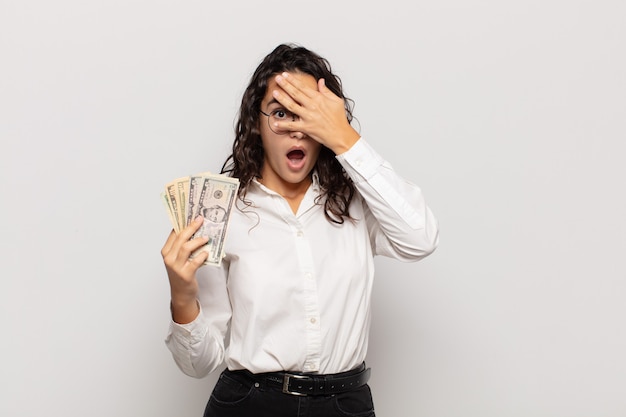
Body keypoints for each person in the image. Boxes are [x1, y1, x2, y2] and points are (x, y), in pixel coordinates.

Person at [161, 43, 439, 417]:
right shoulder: (221, 211)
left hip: (345, 404)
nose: (296, 130)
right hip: (249, 405)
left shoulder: (357, 201)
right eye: (280, 114)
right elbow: (199, 364)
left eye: (308, 115)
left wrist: (343, 137)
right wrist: (182, 296)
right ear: (256, 125)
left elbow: (420, 239)